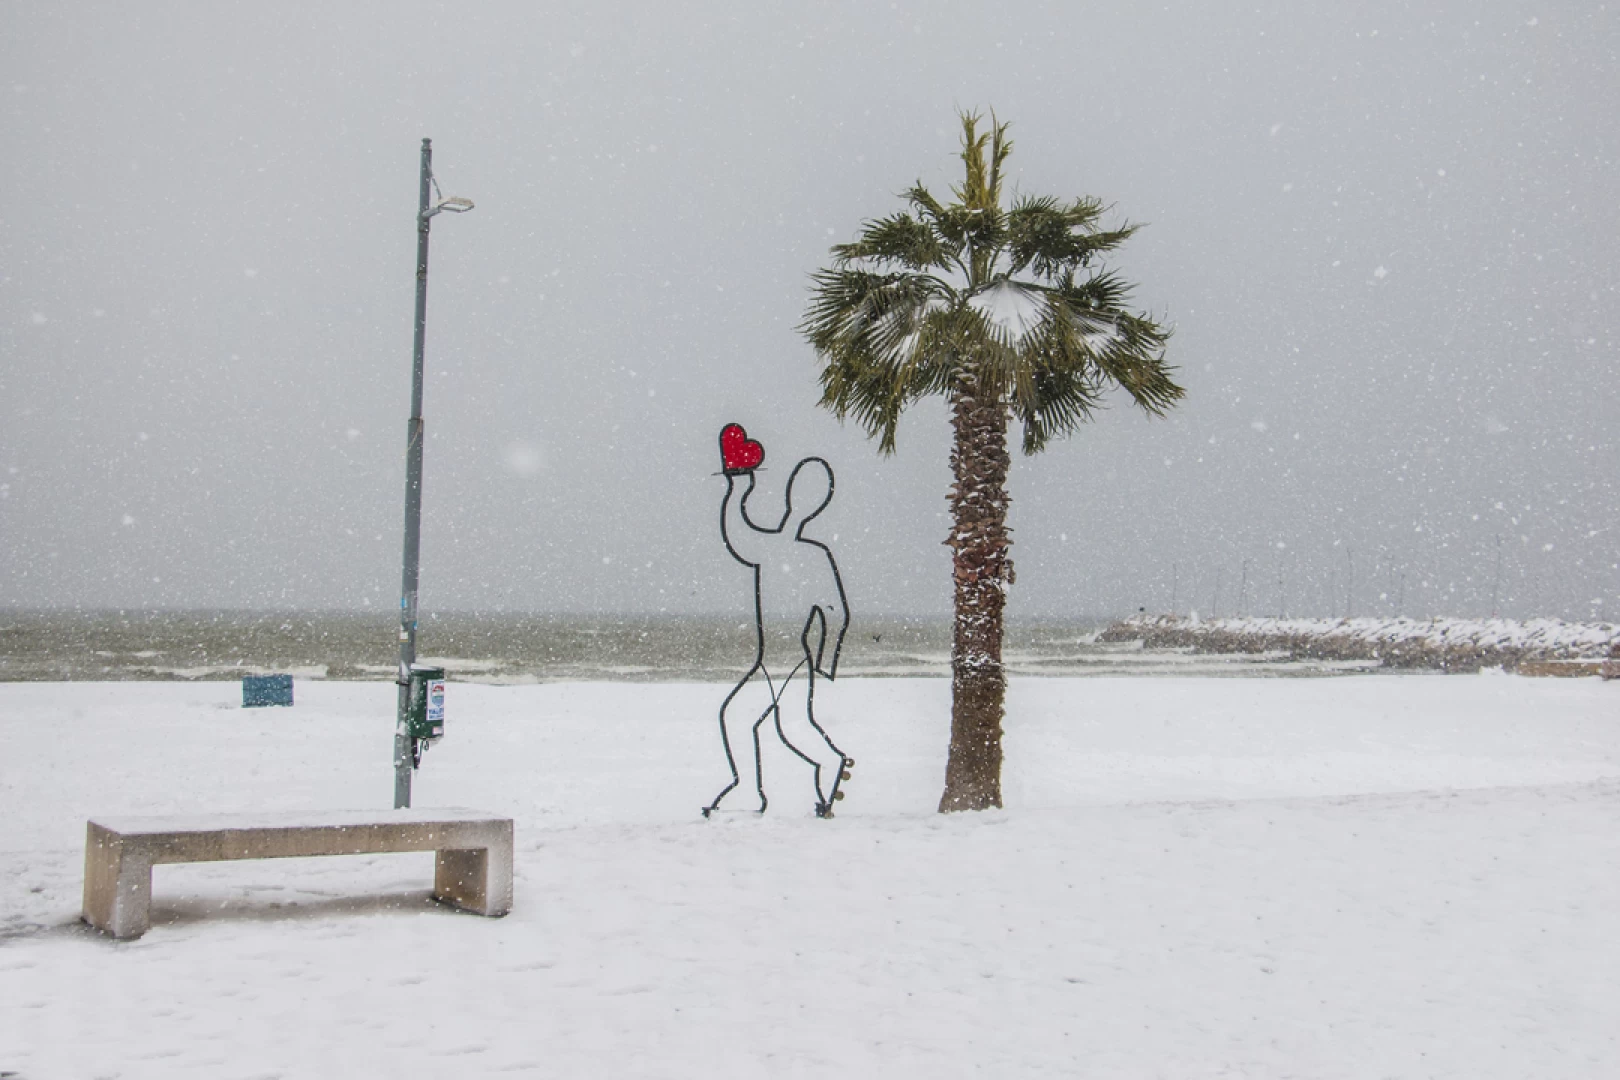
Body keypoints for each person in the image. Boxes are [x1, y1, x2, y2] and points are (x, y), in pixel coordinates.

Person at [703, 426, 851, 818]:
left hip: (789, 664)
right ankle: (753, 790)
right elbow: (737, 532)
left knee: (786, 727)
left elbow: (836, 614)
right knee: (748, 720)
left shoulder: (805, 555)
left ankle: (827, 765)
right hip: (776, 663)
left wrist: (739, 483)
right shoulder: (781, 549)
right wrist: (738, 483)